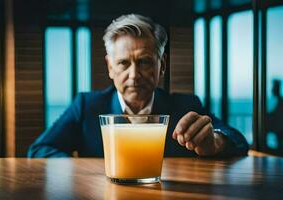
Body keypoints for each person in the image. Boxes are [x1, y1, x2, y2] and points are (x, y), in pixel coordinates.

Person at [28, 14, 248, 158]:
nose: (134, 75)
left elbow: (239, 141)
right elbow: (39, 149)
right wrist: (85, 172)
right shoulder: (87, 106)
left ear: (162, 65)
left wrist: (216, 142)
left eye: (144, 62)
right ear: (110, 67)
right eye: (123, 63)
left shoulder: (186, 105)